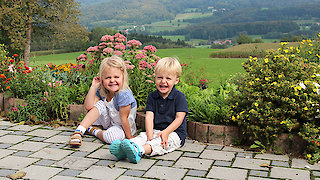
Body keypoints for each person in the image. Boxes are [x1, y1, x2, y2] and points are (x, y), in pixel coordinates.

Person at [109, 57, 188, 163]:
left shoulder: (179, 97)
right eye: (160, 77)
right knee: (142, 137)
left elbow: (179, 118)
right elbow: (149, 116)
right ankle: (125, 149)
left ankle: (139, 150)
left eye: (168, 79)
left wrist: (166, 132)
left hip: (174, 133)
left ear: (176, 80)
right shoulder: (152, 97)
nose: (163, 81)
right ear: (155, 77)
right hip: (156, 130)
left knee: (160, 143)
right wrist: (149, 135)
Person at [69, 55, 137, 146]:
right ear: (102, 79)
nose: (112, 80)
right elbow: (88, 107)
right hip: (110, 123)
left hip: (123, 128)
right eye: (108, 78)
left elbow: (124, 119)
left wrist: (130, 138)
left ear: (123, 77)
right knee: (100, 104)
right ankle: (78, 132)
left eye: (116, 77)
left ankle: (94, 130)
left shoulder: (123, 94)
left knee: (111, 137)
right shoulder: (103, 90)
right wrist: (93, 87)